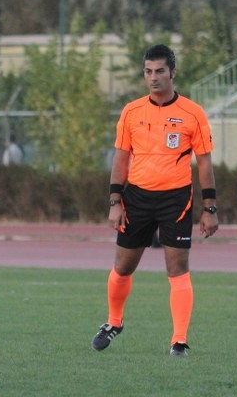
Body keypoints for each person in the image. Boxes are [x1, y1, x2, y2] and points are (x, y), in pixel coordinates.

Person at [91, 44, 217, 358]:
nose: (153, 77)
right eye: (148, 71)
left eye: (160, 71)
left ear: (173, 72)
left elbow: (204, 163)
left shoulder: (193, 114)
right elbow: (121, 159)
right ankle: (114, 321)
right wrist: (114, 201)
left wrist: (210, 208)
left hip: (176, 199)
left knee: (178, 268)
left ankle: (178, 341)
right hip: (137, 197)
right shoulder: (132, 111)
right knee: (123, 266)